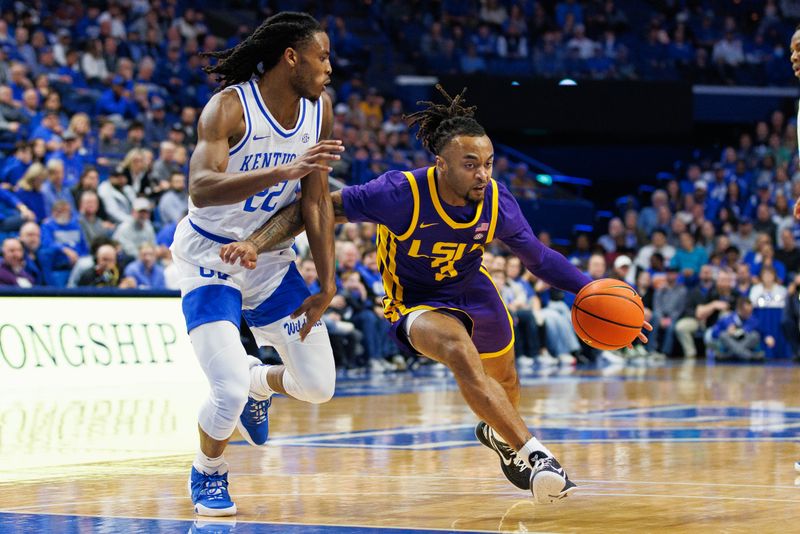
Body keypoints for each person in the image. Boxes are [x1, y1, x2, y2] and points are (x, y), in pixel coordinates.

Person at [218, 85, 651, 503]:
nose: (482, 173)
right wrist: (257, 242)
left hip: (474, 291)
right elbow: (318, 206)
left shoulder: (497, 200)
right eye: (470, 163)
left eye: (489, 162)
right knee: (458, 349)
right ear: (441, 164)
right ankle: (539, 458)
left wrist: (591, 290)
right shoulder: (399, 193)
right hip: (415, 300)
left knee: (505, 386)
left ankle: (500, 437)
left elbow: (537, 257)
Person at [172, 12, 344, 516]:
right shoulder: (228, 108)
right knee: (222, 388)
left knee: (317, 387)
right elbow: (200, 189)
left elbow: (314, 202)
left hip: (270, 263)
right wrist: (281, 170)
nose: (329, 67)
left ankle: (258, 382)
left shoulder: (320, 111)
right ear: (291, 57)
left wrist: (327, 284)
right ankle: (208, 473)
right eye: (322, 57)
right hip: (210, 258)